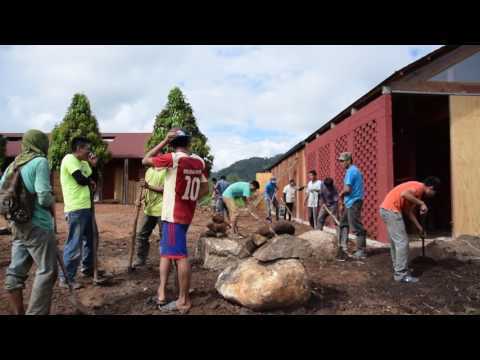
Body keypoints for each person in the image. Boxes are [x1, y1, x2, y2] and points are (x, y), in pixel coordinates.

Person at [142, 128, 209, 313]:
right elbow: (205, 189)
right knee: (166, 253)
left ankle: (183, 301)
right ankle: (162, 293)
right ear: (189, 143)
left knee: (179, 256)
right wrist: (189, 197)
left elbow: (145, 159)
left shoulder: (173, 158)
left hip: (172, 216)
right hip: (186, 213)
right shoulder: (198, 161)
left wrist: (163, 141)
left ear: (173, 144)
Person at [0, 130, 58, 315]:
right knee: (47, 270)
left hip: (17, 224)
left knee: (16, 273)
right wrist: (52, 199)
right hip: (38, 226)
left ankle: (19, 312)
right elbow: (43, 198)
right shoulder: (40, 162)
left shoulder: (14, 165)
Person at [380, 177, 440, 283]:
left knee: (396, 242)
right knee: (402, 242)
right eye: (435, 192)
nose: (433, 195)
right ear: (431, 188)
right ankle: (401, 275)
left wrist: (419, 227)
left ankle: (398, 268)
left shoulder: (417, 192)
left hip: (386, 210)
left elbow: (408, 212)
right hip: (391, 211)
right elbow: (404, 194)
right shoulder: (418, 187)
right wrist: (421, 203)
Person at [59, 136, 100, 289]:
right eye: (87, 148)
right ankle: (66, 278)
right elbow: (81, 180)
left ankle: (88, 269)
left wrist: (94, 166)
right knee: (74, 244)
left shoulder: (84, 163)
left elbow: (94, 179)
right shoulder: (69, 159)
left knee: (92, 238)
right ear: (79, 148)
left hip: (87, 207)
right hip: (75, 208)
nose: (89, 152)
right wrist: (90, 181)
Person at [133, 166, 167, 268]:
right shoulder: (149, 171)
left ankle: (166, 263)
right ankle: (140, 259)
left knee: (164, 238)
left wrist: (149, 186)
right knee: (141, 234)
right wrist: (139, 199)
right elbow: (145, 189)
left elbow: (166, 189)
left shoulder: (167, 171)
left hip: (162, 209)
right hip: (148, 209)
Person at [337, 152, 367, 261]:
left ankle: (361, 251)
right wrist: (343, 202)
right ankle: (343, 246)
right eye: (340, 161)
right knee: (344, 223)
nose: (341, 163)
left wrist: (340, 195)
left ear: (349, 160)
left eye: (342, 161)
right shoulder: (355, 170)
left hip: (353, 201)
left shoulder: (351, 171)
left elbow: (347, 189)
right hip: (350, 201)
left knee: (356, 227)